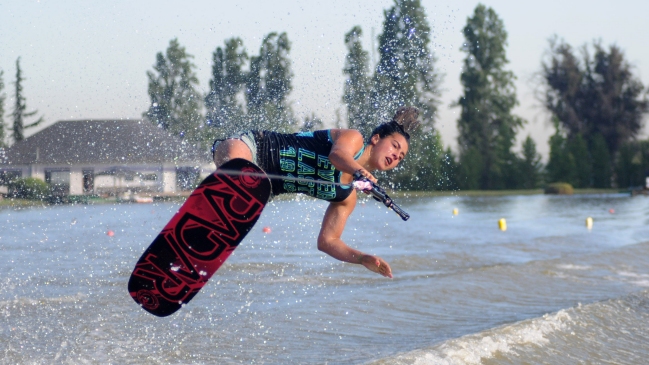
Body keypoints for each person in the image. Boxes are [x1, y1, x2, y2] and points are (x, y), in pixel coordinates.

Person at [211, 106, 420, 278]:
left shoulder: (346, 197)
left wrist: (362, 258)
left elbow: (328, 242)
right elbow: (336, 156)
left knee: (239, 209)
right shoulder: (353, 139)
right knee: (239, 175)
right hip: (254, 147)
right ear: (376, 139)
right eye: (394, 146)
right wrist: (359, 172)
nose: (396, 156)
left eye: (401, 157)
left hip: (264, 187)